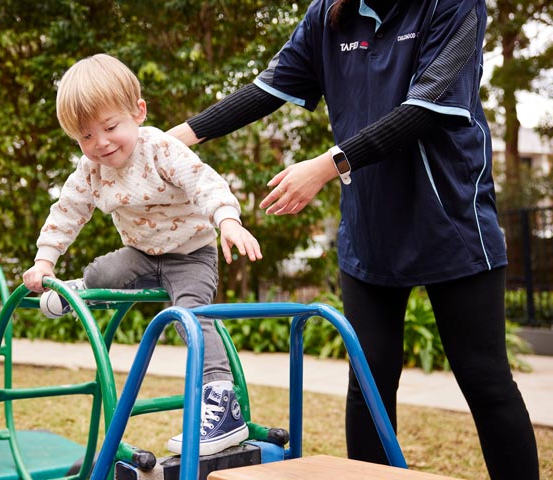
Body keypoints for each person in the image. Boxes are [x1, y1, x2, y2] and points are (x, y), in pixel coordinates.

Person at [167, 0, 539, 478]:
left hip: (452, 225)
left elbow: (425, 109)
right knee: (368, 386)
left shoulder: (454, 5)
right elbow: (265, 91)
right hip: (369, 231)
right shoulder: (328, 14)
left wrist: (327, 167)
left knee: (485, 381)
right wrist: (164, 140)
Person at [22, 53, 262, 456]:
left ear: (138, 112)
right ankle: (77, 291)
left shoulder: (161, 149)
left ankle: (224, 406)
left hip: (192, 255)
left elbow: (205, 183)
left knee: (192, 318)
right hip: (142, 254)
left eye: (110, 126)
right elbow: (67, 211)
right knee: (101, 272)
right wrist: (45, 260)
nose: (100, 143)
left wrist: (227, 221)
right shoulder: (90, 169)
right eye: (84, 136)